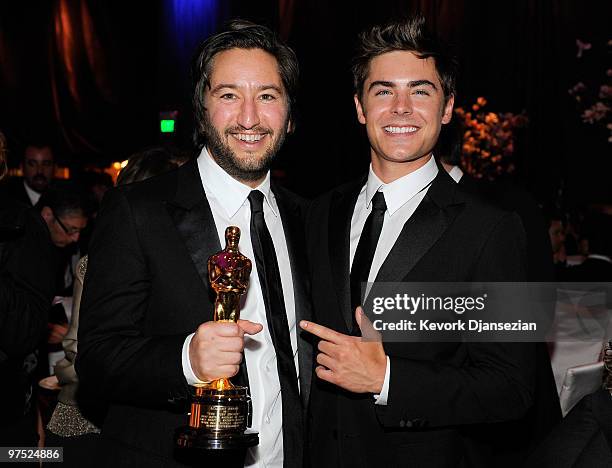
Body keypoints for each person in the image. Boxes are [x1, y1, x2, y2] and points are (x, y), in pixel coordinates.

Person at [302, 16, 538, 467]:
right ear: (359, 107)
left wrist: (387, 378)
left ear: (447, 108)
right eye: (384, 90)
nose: (401, 107)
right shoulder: (319, 212)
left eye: (421, 91)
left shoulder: (494, 226)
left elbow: (512, 388)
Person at [76, 20, 312, 467]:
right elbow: (98, 360)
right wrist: (188, 360)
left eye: (267, 96)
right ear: (201, 110)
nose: (249, 118)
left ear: (289, 113)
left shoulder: (308, 218)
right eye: (228, 95)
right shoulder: (138, 210)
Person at [0, 132, 62, 447]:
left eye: (46, 163)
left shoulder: (20, 223)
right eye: (33, 163)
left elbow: (22, 332)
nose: (40, 170)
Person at [0, 142, 55, 208]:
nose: (40, 171)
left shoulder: (64, 199)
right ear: (22, 167)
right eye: (32, 164)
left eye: (46, 164)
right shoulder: (5, 199)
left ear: (55, 168)